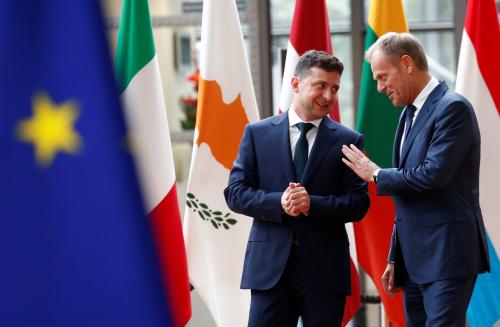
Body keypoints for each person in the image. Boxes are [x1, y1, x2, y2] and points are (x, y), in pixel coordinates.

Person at [342, 32, 490, 326]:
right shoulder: (407, 115)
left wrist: (376, 173)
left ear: (407, 64)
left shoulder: (453, 108)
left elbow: (433, 176)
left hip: (446, 255)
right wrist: (396, 256)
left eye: (383, 77)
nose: (381, 88)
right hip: (414, 261)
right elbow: (409, 198)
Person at [224, 50, 369, 327]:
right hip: (269, 271)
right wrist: (280, 202)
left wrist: (310, 203)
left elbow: (358, 203)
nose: (328, 95)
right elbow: (235, 192)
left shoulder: (350, 140)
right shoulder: (257, 133)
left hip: (325, 271)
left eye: (335, 88)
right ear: (295, 84)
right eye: (321, 86)